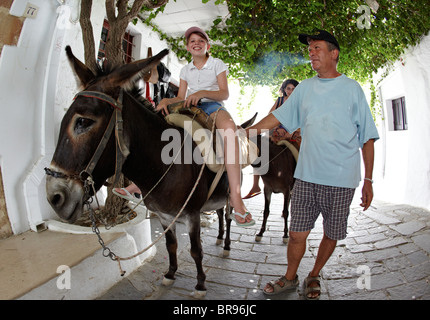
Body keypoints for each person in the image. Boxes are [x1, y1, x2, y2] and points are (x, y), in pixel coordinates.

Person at [245, 30, 379, 299]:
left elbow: (367, 138)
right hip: (306, 178)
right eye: (310, 49)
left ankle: (314, 274)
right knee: (296, 235)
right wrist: (245, 132)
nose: (311, 52)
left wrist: (368, 180)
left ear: (334, 53)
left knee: (331, 234)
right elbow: (278, 117)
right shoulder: (304, 88)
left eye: (317, 48)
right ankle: (290, 277)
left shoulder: (352, 89)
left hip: (342, 181)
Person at [117, 26, 255, 227]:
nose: (196, 43)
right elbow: (180, 98)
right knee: (161, 134)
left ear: (207, 45)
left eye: (200, 40)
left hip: (213, 107)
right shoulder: (185, 70)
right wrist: (166, 101)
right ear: (188, 48)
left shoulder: (217, 64)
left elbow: (224, 93)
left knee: (230, 134)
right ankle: (140, 184)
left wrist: (202, 93)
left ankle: (235, 196)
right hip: (188, 106)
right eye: (192, 41)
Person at [243, 79, 299, 199]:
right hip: (276, 130)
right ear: (284, 89)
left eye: (294, 89)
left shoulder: (299, 102)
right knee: (259, 149)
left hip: (291, 131)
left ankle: (298, 181)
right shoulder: (279, 100)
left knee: (299, 152)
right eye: (288, 88)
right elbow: (271, 116)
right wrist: (278, 128)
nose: (291, 91)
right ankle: (255, 185)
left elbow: (299, 120)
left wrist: (288, 132)